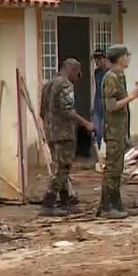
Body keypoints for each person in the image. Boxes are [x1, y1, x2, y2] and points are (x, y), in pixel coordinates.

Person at [38, 59, 94, 217]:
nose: (77, 78)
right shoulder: (65, 85)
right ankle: (48, 202)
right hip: (63, 133)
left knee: (61, 167)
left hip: (51, 132)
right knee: (62, 167)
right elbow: (67, 110)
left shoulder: (48, 84)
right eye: (77, 74)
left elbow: (42, 111)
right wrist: (85, 124)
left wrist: (49, 126)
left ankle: (65, 201)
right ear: (72, 69)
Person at [99, 45, 138, 220]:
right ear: (119, 58)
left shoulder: (120, 76)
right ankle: (108, 207)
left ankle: (116, 203)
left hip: (121, 129)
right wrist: (131, 96)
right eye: (126, 55)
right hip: (113, 130)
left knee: (118, 168)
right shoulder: (110, 78)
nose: (128, 58)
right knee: (112, 168)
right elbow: (111, 106)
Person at [92, 49, 108, 149]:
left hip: (106, 101)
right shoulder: (97, 72)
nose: (97, 62)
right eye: (95, 60)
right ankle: (97, 148)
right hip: (98, 101)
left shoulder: (109, 73)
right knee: (96, 127)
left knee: (104, 127)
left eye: (99, 59)